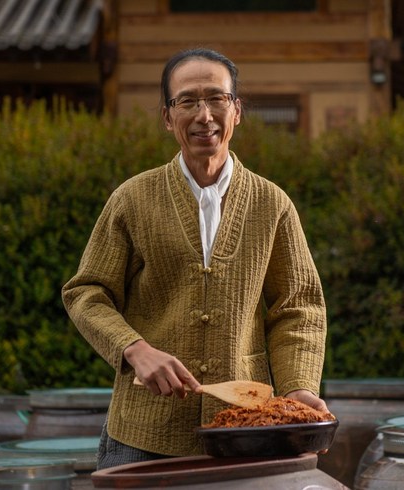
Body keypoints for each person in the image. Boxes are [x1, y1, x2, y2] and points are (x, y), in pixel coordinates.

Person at [62, 47, 328, 469]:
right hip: (142, 433)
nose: (204, 115)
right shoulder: (133, 199)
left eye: (216, 99)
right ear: (168, 117)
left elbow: (297, 307)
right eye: (187, 100)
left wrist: (297, 389)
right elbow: (86, 292)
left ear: (236, 111)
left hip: (244, 430)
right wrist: (134, 349)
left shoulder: (272, 204)